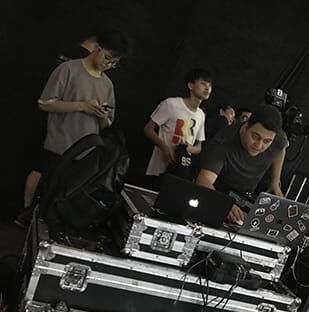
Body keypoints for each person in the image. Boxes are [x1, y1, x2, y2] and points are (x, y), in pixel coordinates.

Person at [15, 28, 131, 227]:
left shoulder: (107, 85)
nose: (109, 65)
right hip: (59, 144)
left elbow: (108, 124)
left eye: (114, 63)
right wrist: (82, 106)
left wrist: (102, 116)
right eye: (107, 58)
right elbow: (45, 103)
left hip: (86, 153)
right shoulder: (68, 69)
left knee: (66, 198)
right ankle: (29, 217)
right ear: (97, 48)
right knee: (46, 188)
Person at [196, 104, 288, 224]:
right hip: (217, 196)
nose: (259, 145)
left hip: (246, 198)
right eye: (255, 137)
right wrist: (223, 203)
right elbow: (204, 180)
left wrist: (275, 181)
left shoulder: (278, 138)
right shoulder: (223, 142)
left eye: (267, 141)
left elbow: (281, 148)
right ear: (246, 127)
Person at [144, 68, 212, 179]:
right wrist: (164, 147)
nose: (207, 88)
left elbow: (199, 146)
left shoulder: (201, 115)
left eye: (209, 85)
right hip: (159, 168)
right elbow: (148, 129)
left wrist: (188, 149)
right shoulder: (171, 104)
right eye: (203, 83)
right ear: (190, 86)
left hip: (180, 170)